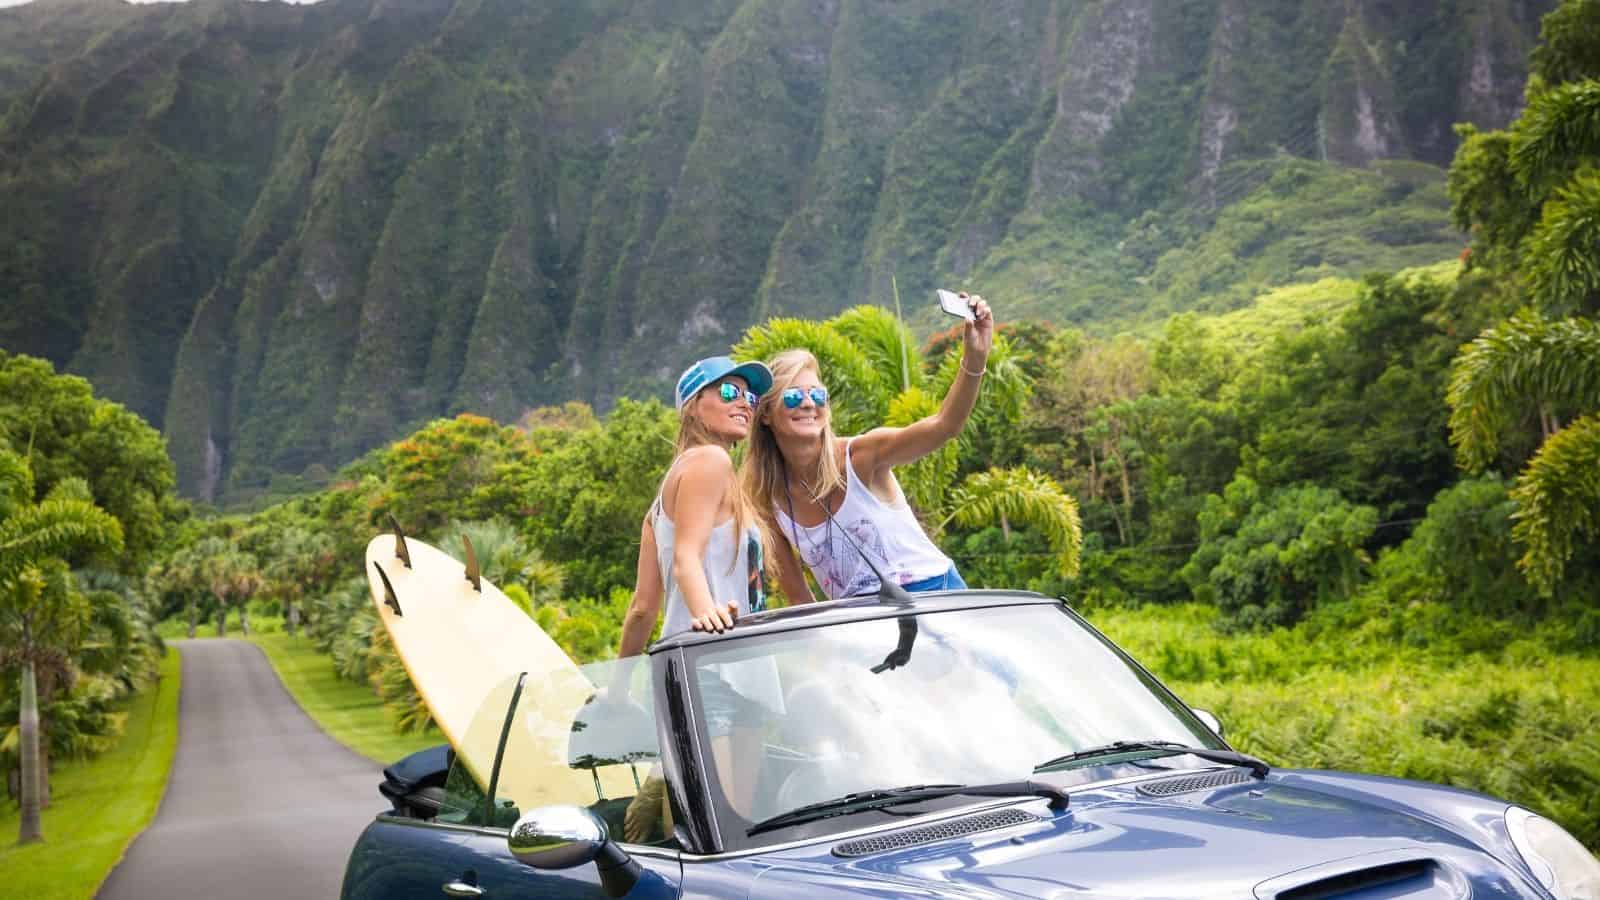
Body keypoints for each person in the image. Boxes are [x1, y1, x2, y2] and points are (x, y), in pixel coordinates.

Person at [610, 355, 777, 831]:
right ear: (692, 406)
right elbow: (687, 557)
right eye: (728, 392)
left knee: (721, 827)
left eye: (749, 395)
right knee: (719, 830)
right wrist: (707, 618)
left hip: (728, 667)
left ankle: (664, 780)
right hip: (714, 665)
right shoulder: (711, 460)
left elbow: (643, 608)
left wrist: (616, 691)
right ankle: (664, 786)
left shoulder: (661, 500)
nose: (744, 402)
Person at [744, 293, 994, 602]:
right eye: (794, 396)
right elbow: (799, 598)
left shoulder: (859, 457)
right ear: (766, 414)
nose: (808, 404)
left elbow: (945, 425)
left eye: (817, 395)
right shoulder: (768, 497)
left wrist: (976, 357)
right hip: (860, 617)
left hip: (932, 593)